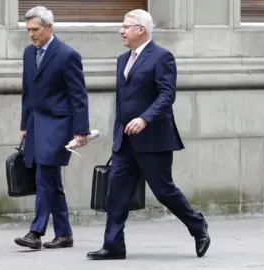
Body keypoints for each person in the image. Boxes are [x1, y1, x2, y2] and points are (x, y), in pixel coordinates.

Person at [86, 9, 211, 260]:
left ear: (140, 29)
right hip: (125, 140)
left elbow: (167, 95)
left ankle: (198, 227)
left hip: (154, 139)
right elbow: (122, 102)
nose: (121, 30)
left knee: (164, 191)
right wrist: (117, 132)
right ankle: (113, 245)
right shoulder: (122, 59)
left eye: (125, 26)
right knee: (115, 194)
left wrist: (144, 119)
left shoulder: (162, 57)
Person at [14, 5, 90, 250]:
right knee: (51, 181)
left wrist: (81, 131)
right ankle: (65, 234)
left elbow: (78, 96)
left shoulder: (68, 55)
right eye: (28, 30)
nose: (31, 34)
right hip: (36, 125)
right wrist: (24, 124)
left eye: (35, 29)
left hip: (58, 125)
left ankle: (35, 232)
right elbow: (27, 92)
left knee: (44, 177)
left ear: (49, 28)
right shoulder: (28, 53)